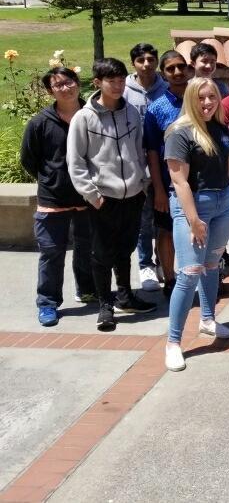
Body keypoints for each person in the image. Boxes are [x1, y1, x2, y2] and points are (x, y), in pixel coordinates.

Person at [67, 58, 157, 333]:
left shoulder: (130, 112)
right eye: (111, 81)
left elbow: (139, 150)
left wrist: (143, 183)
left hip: (132, 194)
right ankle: (105, 304)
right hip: (103, 197)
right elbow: (76, 161)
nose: (118, 86)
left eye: (120, 80)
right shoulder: (84, 117)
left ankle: (125, 295)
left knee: (125, 248)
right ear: (97, 83)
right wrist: (92, 195)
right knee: (102, 253)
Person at [163, 77, 229, 371]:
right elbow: (178, 180)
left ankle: (208, 320)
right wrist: (193, 219)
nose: (208, 103)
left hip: (224, 203)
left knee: (212, 266)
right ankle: (173, 342)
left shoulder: (222, 131)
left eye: (212, 97)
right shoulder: (180, 133)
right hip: (194, 206)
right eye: (201, 98)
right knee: (188, 273)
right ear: (190, 99)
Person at [21, 66, 97, 326]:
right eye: (58, 85)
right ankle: (48, 303)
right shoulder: (40, 123)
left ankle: (87, 289)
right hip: (53, 199)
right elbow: (29, 160)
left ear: (77, 83)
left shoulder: (92, 115)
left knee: (87, 248)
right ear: (50, 91)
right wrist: (52, 180)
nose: (66, 88)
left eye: (69, 82)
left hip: (87, 196)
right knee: (52, 253)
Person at [145, 51, 194, 301]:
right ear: (163, 73)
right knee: (167, 233)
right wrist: (160, 190)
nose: (177, 72)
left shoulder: (198, 99)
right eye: (171, 68)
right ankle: (170, 278)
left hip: (198, 179)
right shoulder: (156, 108)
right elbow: (152, 152)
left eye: (181, 67)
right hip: (168, 182)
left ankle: (195, 276)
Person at [124, 43, 169, 294]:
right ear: (134, 64)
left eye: (151, 59)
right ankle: (145, 265)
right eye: (141, 60)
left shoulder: (165, 89)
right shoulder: (126, 92)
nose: (146, 64)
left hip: (163, 164)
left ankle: (164, 261)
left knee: (164, 218)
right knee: (144, 220)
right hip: (137, 166)